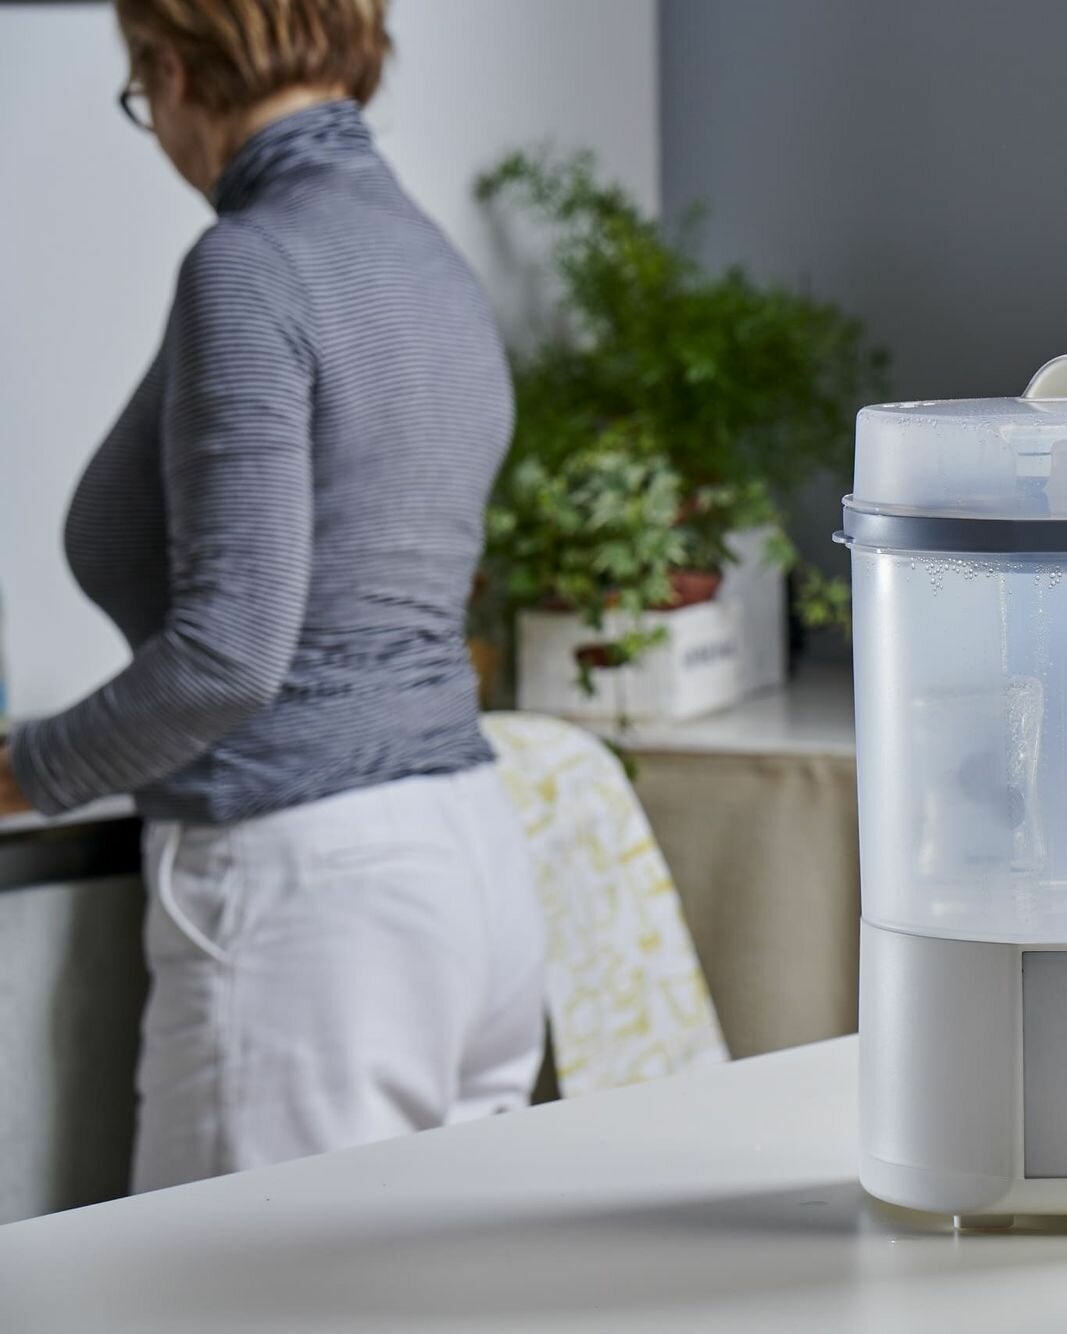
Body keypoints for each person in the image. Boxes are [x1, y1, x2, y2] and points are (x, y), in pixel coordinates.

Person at [0, 0, 544, 1191]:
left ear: (172, 69)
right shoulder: (432, 264)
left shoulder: (249, 265)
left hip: (312, 899)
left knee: (228, 1284)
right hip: (471, 866)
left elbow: (229, 655)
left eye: (140, 92)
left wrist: (18, 771)